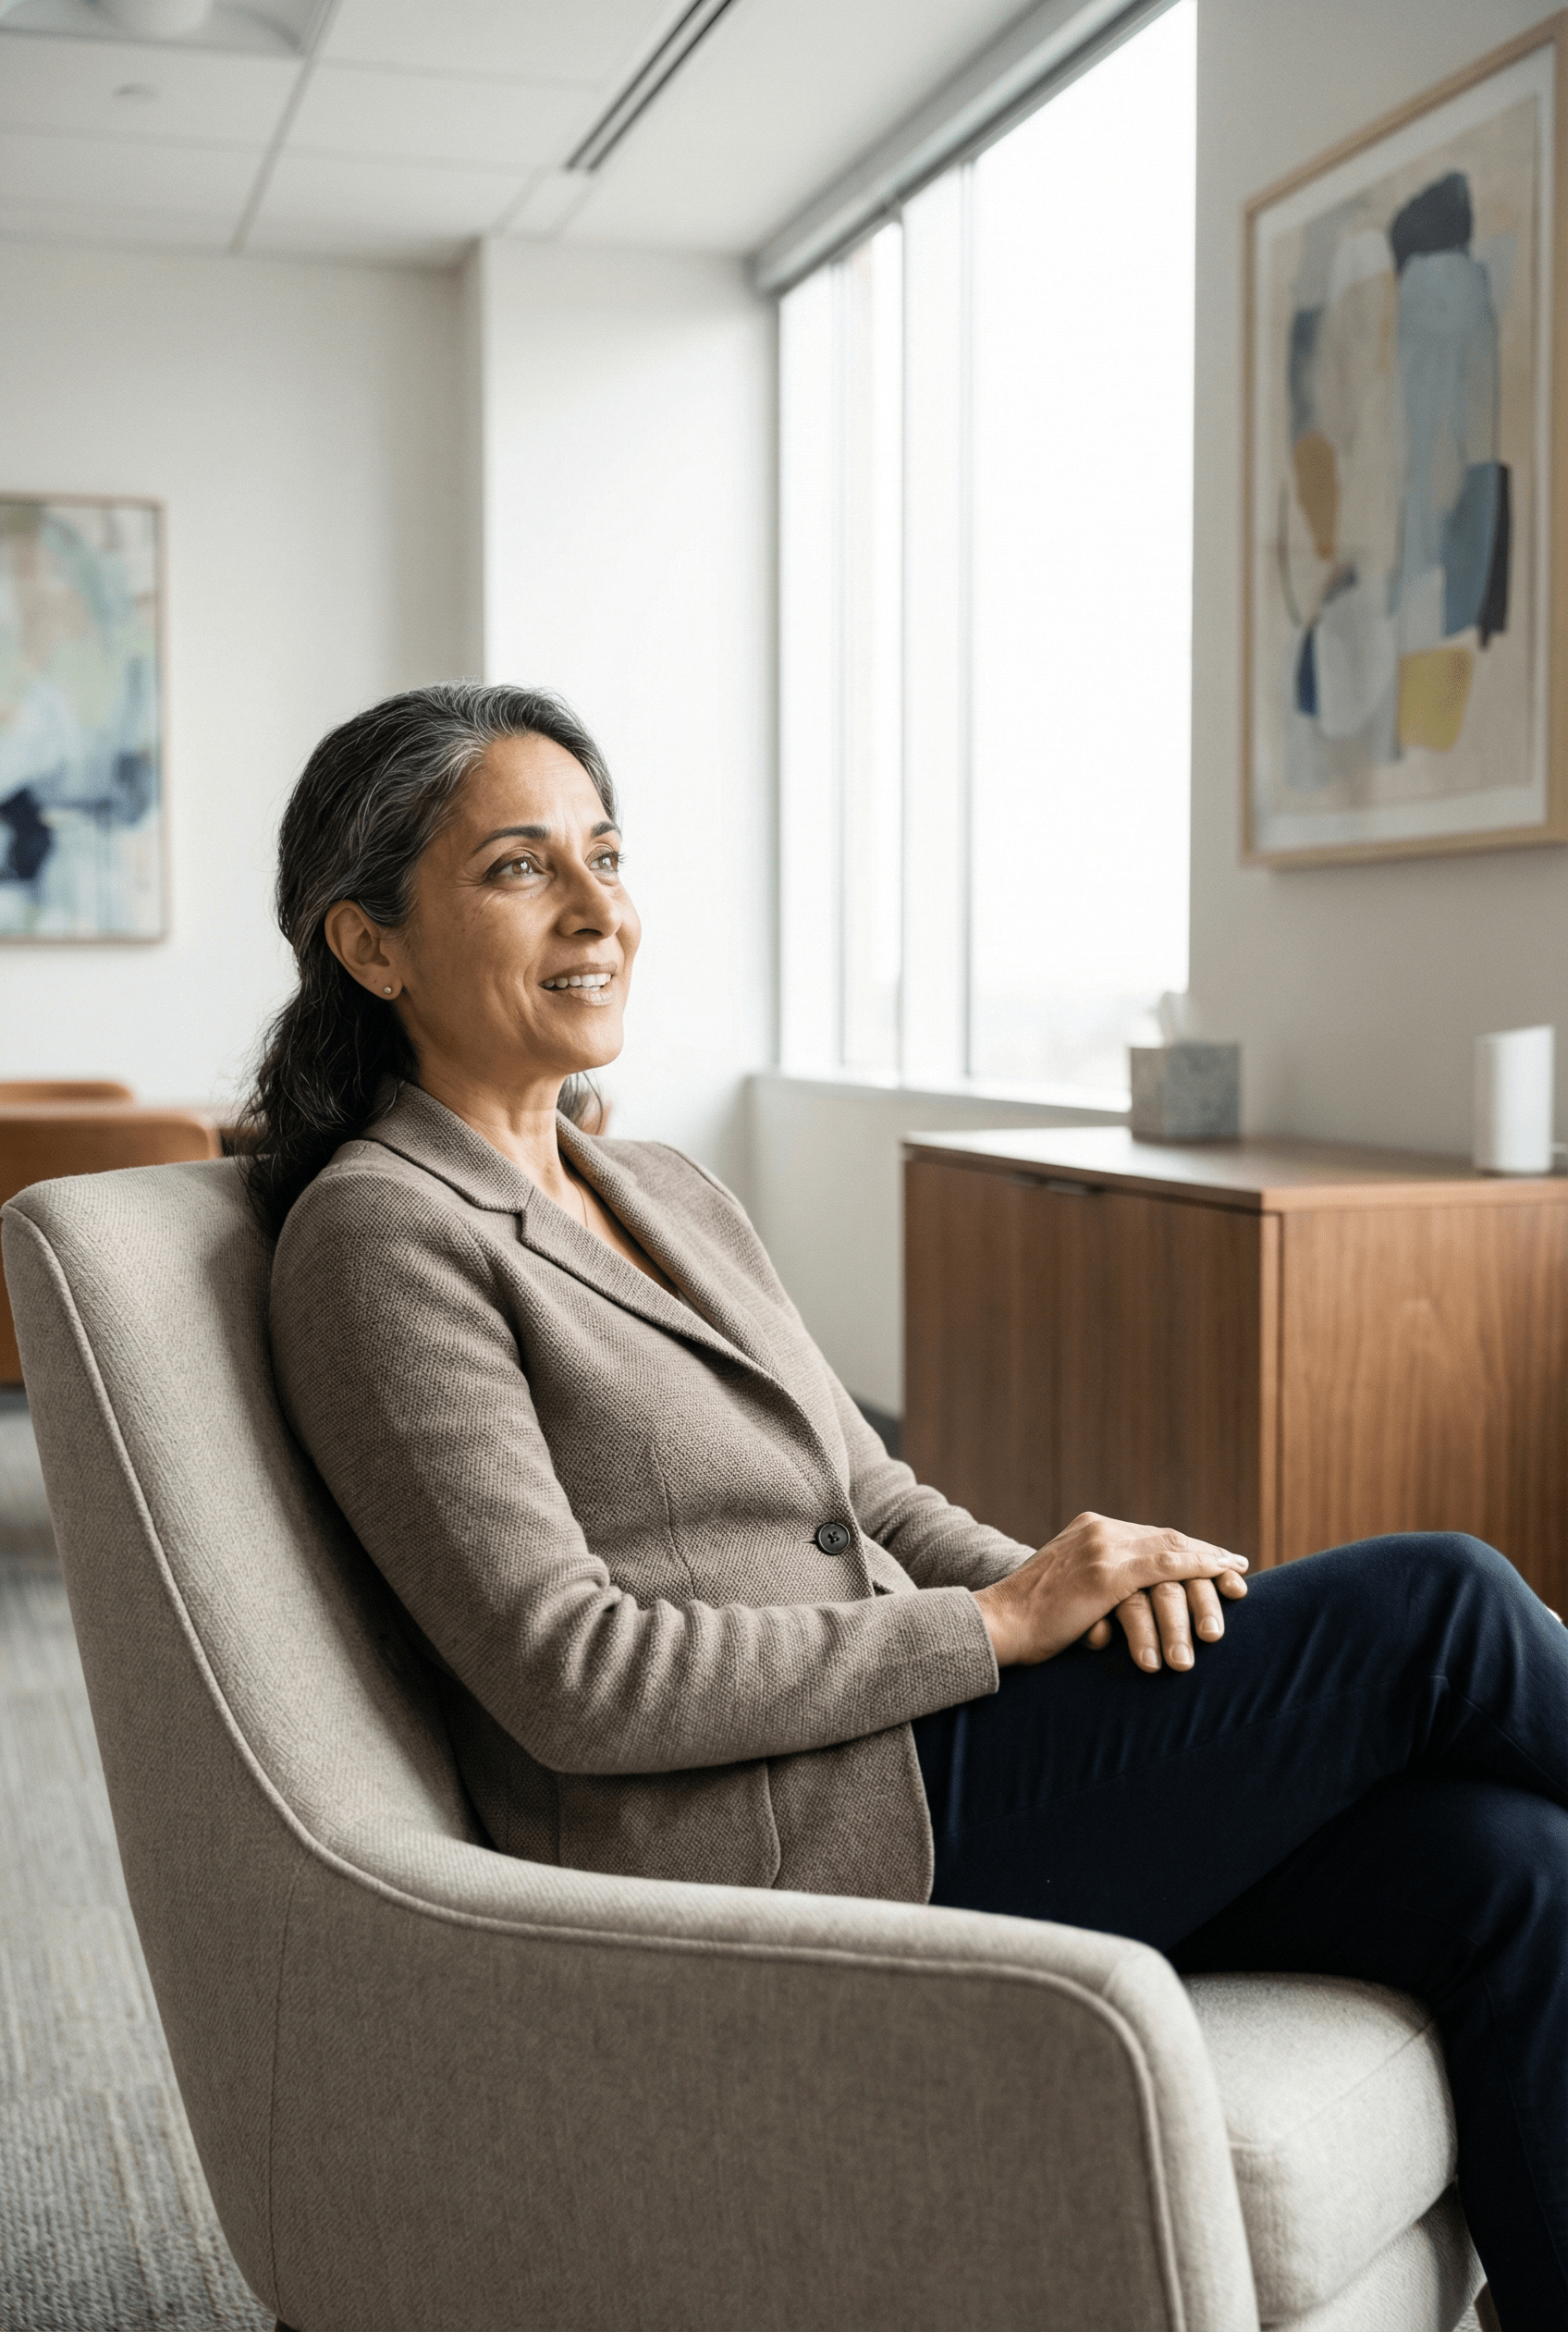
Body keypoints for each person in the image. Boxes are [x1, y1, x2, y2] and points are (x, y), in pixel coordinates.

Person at [255, 683, 1564, 2331]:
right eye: (523, 870)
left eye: (606, 855)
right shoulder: (382, 1239)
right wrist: (1002, 1626)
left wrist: (1069, 1589)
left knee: (1504, 1860)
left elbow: (863, 1485)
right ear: (370, 945)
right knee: (1437, 1602)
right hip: (777, 1841)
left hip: (936, 1735)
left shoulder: (656, 1182)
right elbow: (566, 1670)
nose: (600, 912)